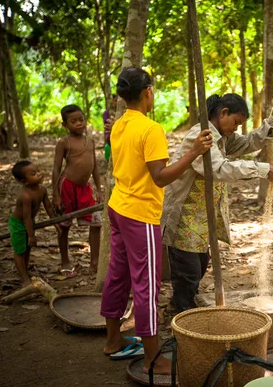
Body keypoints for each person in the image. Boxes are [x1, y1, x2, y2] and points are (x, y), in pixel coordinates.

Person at [100, 67, 213, 373]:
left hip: (118, 206)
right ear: (147, 92)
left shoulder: (119, 125)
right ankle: (153, 358)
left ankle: (114, 340)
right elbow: (160, 178)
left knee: (118, 274)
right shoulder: (151, 129)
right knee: (145, 286)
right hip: (140, 215)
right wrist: (192, 153)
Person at [162, 93, 273, 313]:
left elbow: (248, 143)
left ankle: (183, 307)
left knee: (199, 266)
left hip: (200, 218)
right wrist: (261, 169)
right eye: (236, 123)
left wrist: (271, 122)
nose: (236, 129)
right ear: (223, 113)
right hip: (183, 217)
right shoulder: (202, 135)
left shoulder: (223, 137)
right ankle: (181, 315)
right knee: (187, 270)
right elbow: (220, 169)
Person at [52, 105, 102, 275]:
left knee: (96, 223)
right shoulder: (64, 143)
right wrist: (56, 194)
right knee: (64, 225)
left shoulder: (90, 141)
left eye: (81, 119)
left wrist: (99, 189)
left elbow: (94, 167)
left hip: (85, 188)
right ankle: (65, 260)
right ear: (65, 125)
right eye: (74, 121)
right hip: (67, 187)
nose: (79, 123)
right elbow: (56, 169)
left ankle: (94, 263)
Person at [9, 161, 59, 286]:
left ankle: (24, 270)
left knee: (27, 248)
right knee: (20, 250)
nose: (39, 174)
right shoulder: (26, 196)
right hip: (19, 223)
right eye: (33, 173)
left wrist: (56, 223)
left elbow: (48, 207)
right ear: (24, 181)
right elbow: (26, 217)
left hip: (30, 222)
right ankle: (24, 278)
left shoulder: (42, 190)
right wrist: (31, 235)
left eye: (38, 171)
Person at [103, 94, 118, 162]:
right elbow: (106, 125)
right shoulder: (106, 112)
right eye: (115, 101)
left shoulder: (122, 112)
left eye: (117, 101)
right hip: (109, 136)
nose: (116, 103)